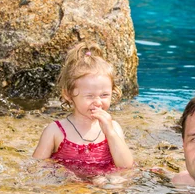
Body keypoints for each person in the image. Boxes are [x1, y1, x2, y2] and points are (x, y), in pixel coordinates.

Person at [33, 42, 133, 178]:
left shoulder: (113, 128)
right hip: (69, 184)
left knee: (116, 182)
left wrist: (110, 132)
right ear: (68, 95)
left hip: (103, 180)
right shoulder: (55, 131)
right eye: (89, 96)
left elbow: (126, 166)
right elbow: (36, 167)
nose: (98, 102)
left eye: (104, 95)